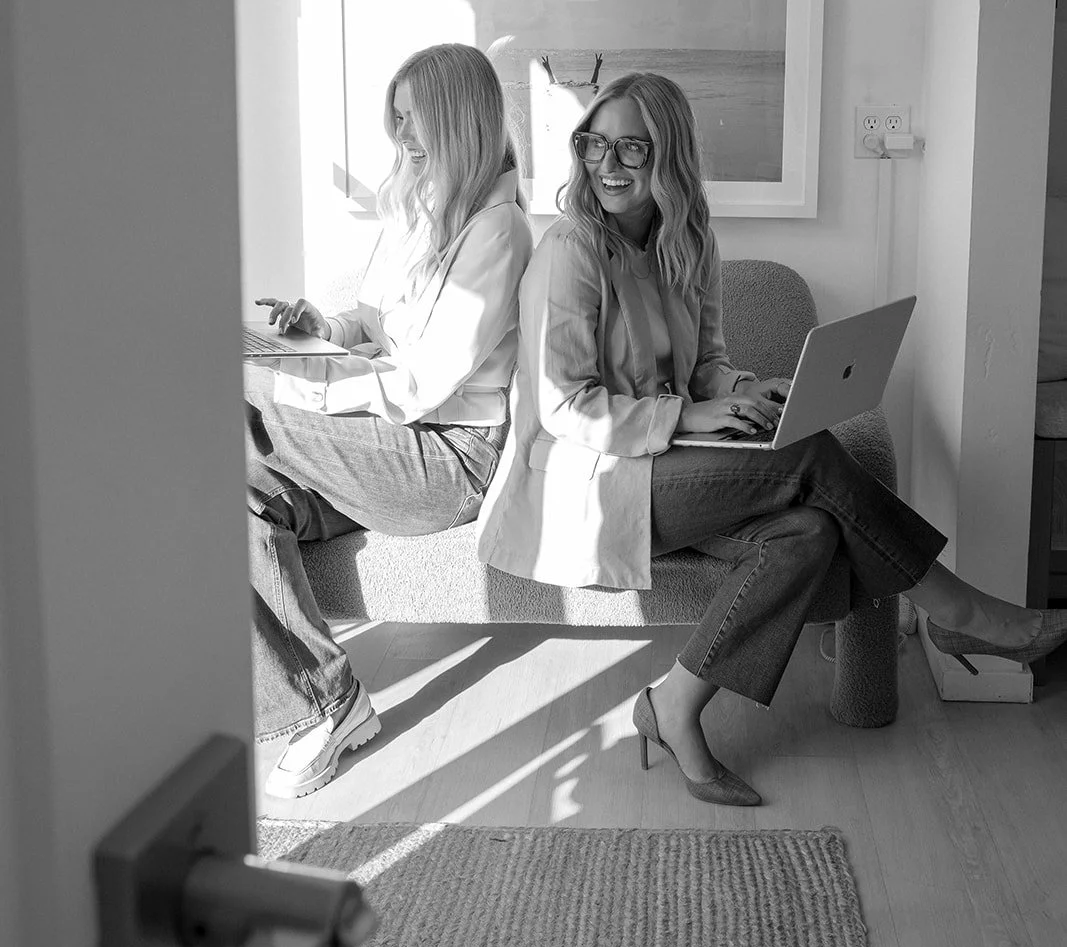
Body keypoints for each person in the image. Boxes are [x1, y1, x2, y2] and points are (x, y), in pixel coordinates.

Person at [476, 70, 1067, 807]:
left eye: (633, 147)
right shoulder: (570, 250)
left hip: (663, 466)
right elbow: (566, 406)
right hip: (589, 484)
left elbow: (707, 366)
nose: (608, 164)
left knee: (809, 531)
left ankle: (674, 706)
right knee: (811, 456)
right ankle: (958, 614)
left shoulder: (687, 242)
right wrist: (685, 417)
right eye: (594, 144)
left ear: (670, 156)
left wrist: (744, 389)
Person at [247, 43, 532, 798]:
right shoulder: (416, 206)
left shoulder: (499, 233)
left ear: (458, 118)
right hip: (389, 445)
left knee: (239, 416)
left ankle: (320, 705)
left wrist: (303, 389)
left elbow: (420, 386)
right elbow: (375, 325)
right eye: (395, 119)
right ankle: (326, 701)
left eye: (415, 119)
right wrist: (320, 329)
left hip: (447, 461)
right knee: (231, 484)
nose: (402, 136)